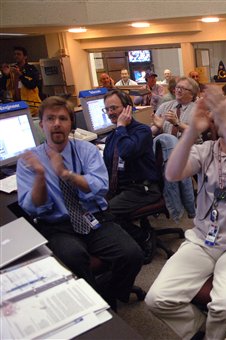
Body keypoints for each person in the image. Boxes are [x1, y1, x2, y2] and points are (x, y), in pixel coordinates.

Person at [145, 89, 226, 340]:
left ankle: (215, 336)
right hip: (202, 240)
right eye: (219, 112)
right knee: (156, 299)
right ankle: (201, 329)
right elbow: (172, 174)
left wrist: (223, 123)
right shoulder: (205, 151)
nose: (221, 116)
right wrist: (192, 129)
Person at [16, 96, 143, 310]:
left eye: (63, 119)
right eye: (50, 119)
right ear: (41, 125)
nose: (57, 123)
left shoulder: (87, 150)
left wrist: (66, 174)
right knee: (73, 257)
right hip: (58, 225)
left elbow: (101, 186)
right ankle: (95, 305)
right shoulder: (29, 161)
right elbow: (31, 207)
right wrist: (40, 176)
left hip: (92, 217)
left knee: (132, 254)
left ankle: (106, 294)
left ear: (70, 124)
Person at [103, 90, 161, 263]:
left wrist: (121, 126)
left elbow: (126, 151)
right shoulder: (112, 136)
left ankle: (143, 236)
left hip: (143, 188)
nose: (110, 113)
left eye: (114, 108)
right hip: (121, 187)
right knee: (92, 208)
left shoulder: (141, 131)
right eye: (107, 109)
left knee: (107, 213)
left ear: (128, 108)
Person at [151, 77, 198, 222]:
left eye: (183, 88)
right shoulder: (165, 106)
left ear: (192, 93)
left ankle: (174, 205)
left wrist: (177, 123)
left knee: (173, 156)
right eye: (177, 87)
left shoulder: (196, 109)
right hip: (165, 150)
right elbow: (154, 131)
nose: (178, 90)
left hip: (190, 147)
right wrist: (156, 127)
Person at [0, 46, 42, 115]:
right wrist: (6, 76)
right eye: (15, 54)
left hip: (32, 106)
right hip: (16, 105)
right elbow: (4, 87)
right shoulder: (12, 70)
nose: (16, 56)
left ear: (25, 57)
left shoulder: (31, 69)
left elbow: (32, 85)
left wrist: (20, 75)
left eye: (19, 54)